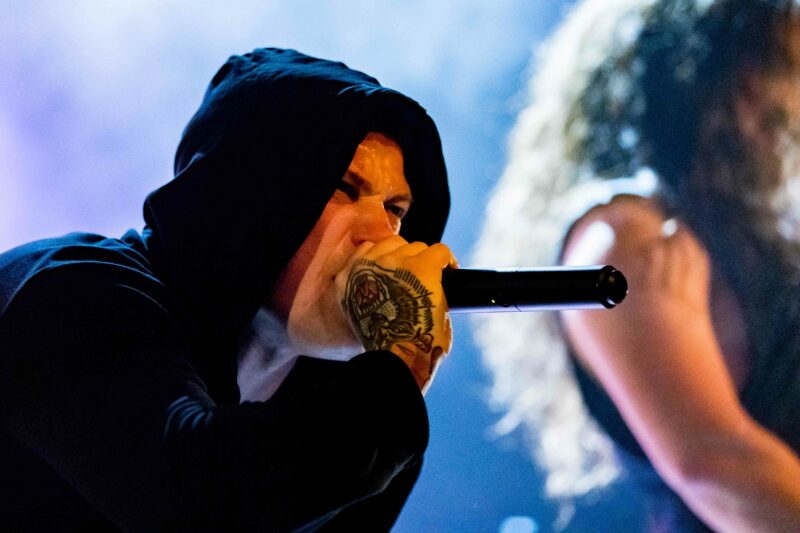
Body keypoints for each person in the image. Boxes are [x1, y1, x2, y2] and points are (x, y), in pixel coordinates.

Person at [0, 48, 456, 531]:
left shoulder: (364, 435)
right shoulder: (70, 292)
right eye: (343, 187)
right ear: (245, 191)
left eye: (396, 210)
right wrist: (401, 363)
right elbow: (186, 499)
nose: (383, 234)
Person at [474, 0, 800, 531]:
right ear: (704, 76)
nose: (791, 97)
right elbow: (716, 464)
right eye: (778, 65)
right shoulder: (628, 240)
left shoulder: (750, 222)